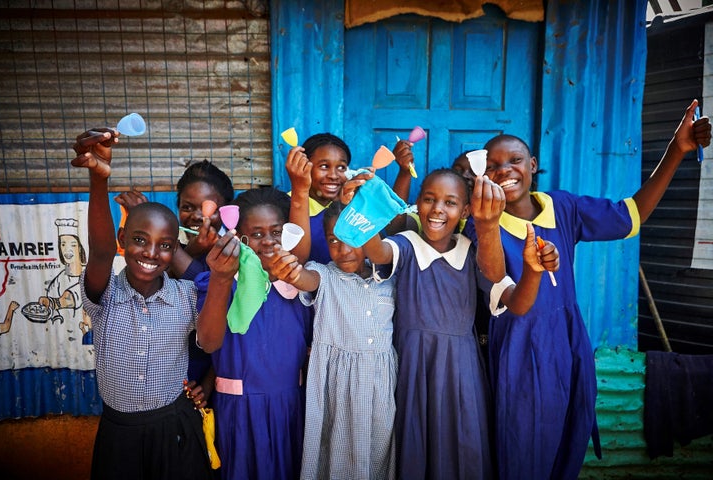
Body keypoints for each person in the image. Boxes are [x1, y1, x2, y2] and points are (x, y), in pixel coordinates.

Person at [469, 99, 712, 480]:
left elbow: (632, 215)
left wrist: (676, 150)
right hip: (518, 345)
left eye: (514, 161)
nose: (505, 171)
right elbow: (495, 276)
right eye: (494, 165)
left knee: (568, 437)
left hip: (568, 342)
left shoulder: (562, 207)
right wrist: (485, 226)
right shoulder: (483, 223)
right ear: (483, 174)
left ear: (532, 166)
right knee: (521, 446)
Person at [358, 168, 558, 479]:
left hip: (461, 369)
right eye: (429, 199)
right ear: (417, 205)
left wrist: (533, 271)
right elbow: (377, 251)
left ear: (465, 211)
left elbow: (517, 303)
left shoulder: (473, 252)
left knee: (464, 444)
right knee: (416, 441)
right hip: (414, 365)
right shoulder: (407, 243)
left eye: (450, 203)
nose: (437, 209)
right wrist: (361, 209)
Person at [73, 127, 239, 480]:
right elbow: (101, 251)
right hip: (119, 430)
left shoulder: (185, 294)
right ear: (122, 239)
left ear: (174, 247)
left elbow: (210, 342)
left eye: (165, 245)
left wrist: (222, 279)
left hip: (176, 424)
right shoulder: (105, 296)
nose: (150, 252)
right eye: (139, 240)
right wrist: (98, 179)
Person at [268, 199, 398, 479]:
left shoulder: (388, 279)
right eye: (333, 241)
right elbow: (304, 278)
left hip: (381, 382)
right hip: (336, 383)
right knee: (334, 449)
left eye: (353, 239)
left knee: (378, 448)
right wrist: (289, 270)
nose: (344, 249)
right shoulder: (325, 275)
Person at [193, 186, 313, 480]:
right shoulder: (223, 284)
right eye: (257, 234)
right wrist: (222, 278)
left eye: (276, 232)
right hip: (239, 412)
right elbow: (208, 343)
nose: (269, 241)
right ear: (239, 238)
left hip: (289, 407)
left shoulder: (299, 287)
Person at [115, 159, 236, 406]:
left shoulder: (233, 257)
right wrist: (190, 248)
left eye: (208, 208)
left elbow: (202, 283)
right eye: (187, 207)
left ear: (226, 211)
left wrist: (208, 383)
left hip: (214, 376)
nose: (197, 216)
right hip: (166, 374)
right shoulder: (167, 249)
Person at [295, 133, 351, 264]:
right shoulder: (286, 205)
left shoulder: (351, 207)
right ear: (304, 167)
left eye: (341, 167)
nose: (333, 175)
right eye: (324, 166)